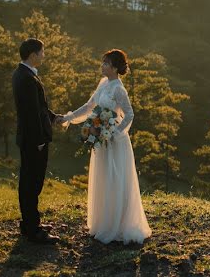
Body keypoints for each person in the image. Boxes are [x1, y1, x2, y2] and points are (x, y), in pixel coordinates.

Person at [63, 49, 152, 244]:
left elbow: (129, 114)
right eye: (102, 62)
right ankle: (103, 223)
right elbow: (89, 107)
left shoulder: (119, 89)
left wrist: (114, 133)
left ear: (114, 67)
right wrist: (69, 117)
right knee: (103, 178)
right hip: (101, 142)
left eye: (105, 63)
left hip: (115, 142)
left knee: (116, 179)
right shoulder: (103, 84)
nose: (102, 66)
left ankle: (118, 225)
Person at [12, 37, 65, 244]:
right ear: (33, 54)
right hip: (34, 140)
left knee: (29, 182)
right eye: (42, 52)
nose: (44, 55)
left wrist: (54, 117)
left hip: (29, 138)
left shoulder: (23, 74)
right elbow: (31, 114)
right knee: (32, 184)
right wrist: (39, 140)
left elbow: (39, 107)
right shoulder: (26, 78)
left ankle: (29, 223)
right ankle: (33, 230)